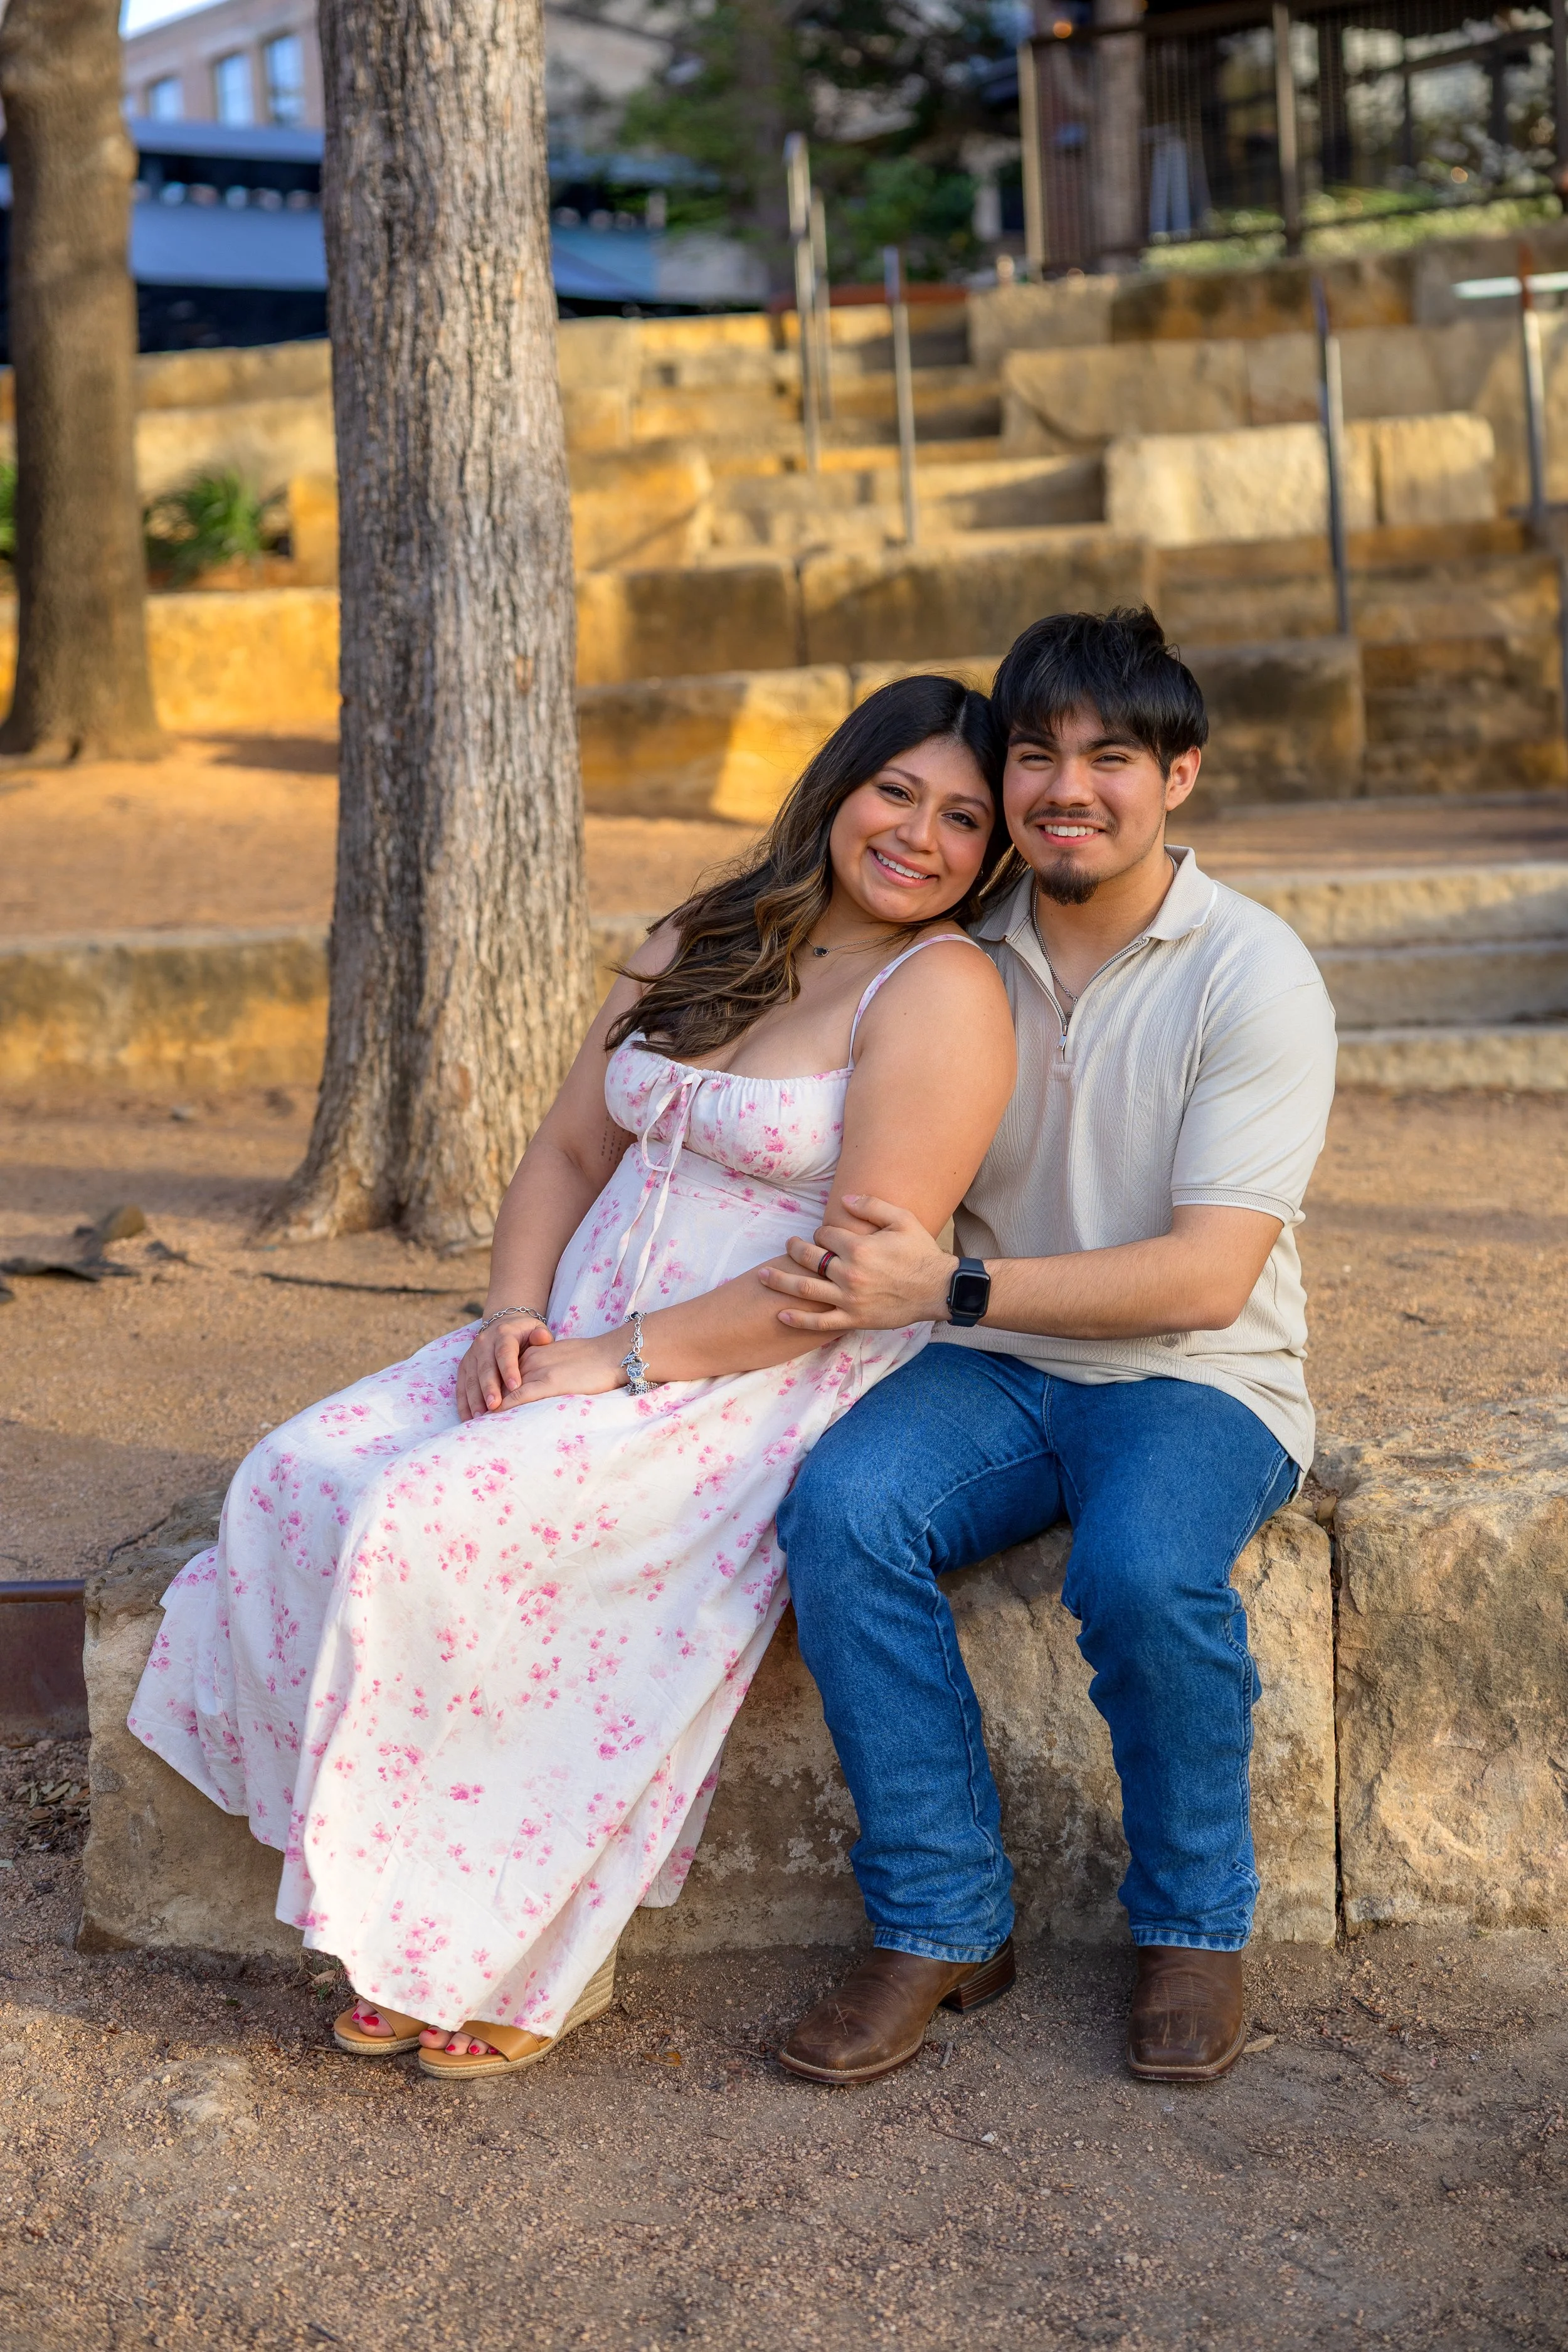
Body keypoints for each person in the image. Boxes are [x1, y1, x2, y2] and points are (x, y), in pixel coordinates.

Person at [128, 675, 1017, 2082]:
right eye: (896, 790)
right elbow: (563, 1153)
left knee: (434, 1522)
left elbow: (850, 1271)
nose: (920, 834)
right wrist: (512, 1315)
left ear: (992, 855)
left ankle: (516, 1944)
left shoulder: (943, 990)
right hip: (578, 1326)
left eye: (964, 819)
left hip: (751, 1363)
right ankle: (400, 1902)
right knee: (298, 1473)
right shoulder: (701, 933)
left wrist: (613, 1365)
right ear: (839, 785)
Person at [765, 608, 1337, 2089]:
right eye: (1035, 755)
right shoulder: (955, 957)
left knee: (1143, 1571)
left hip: (1197, 1381)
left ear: (1179, 776)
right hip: (1000, 1370)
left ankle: (1195, 1927)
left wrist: (943, 1292)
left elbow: (1210, 1279)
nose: (1064, 788)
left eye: (1108, 757)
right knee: (839, 1510)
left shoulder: (1250, 972)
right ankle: (940, 1922)